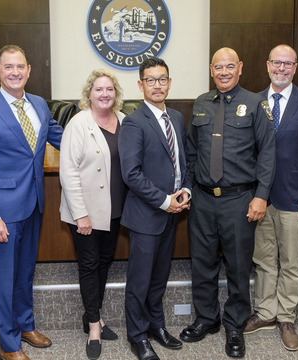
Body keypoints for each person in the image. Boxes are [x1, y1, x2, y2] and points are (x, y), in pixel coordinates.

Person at [0, 45, 63, 360]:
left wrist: (105, 134)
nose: (15, 72)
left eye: (20, 66)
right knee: (5, 279)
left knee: (25, 272)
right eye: (8, 67)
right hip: (3, 212)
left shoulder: (39, 105)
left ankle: (26, 325)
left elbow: (65, 137)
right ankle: (9, 345)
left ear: (29, 70)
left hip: (34, 204)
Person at [181, 47, 275, 358]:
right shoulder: (201, 103)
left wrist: (261, 195)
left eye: (229, 66)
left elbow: (267, 154)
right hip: (204, 200)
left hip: (239, 200)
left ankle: (235, 323)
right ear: (211, 70)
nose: (223, 72)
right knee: (202, 263)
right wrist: (192, 188)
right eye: (218, 67)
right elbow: (192, 151)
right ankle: (207, 318)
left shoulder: (255, 104)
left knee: (237, 265)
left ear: (240, 68)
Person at [244, 44, 298, 351]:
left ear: (295, 67)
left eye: (287, 64)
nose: (281, 68)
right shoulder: (253, 102)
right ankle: (265, 312)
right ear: (267, 66)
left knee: (290, 262)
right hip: (261, 198)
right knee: (264, 260)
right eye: (277, 63)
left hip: (294, 199)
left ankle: (286, 317)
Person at [118, 57, 191, 360]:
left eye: (162, 79)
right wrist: (165, 201)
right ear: (140, 85)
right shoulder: (134, 122)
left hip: (171, 215)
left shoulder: (176, 116)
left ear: (170, 83)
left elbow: (181, 162)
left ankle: (156, 326)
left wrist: (185, 190)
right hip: (147, 215)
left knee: (159, 277)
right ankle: (137, 336)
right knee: (140, 280)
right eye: (151, 80)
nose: (157, 85)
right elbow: (131, 174)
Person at [59, 69, 126, 360]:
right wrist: (80, 215)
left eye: (109, 89)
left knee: (103, 264)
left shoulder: (124, 121)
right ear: (89, 94)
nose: (104, 94)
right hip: (85, 211)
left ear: (116, 93)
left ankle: (92, 315)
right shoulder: (78, 123)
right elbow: (68, 172)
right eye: (98, 89)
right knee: (89, 265)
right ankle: (94, 327)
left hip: (115, 210)